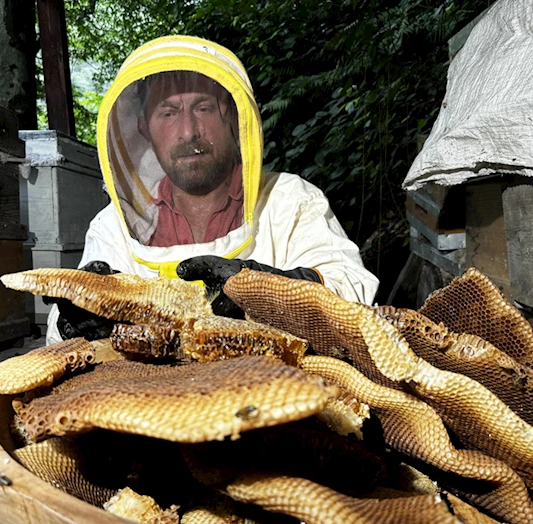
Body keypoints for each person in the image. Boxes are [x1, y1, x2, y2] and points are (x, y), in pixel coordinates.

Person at [46, 35, 379, 344]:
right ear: (144, 129)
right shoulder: (112, 228)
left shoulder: (291, 200)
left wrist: (271, 291)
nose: (189, 131)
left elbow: (354, 292)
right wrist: (87, 324)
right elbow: (59, 336)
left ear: (233, 117)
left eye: (203, 108)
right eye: (168, 112)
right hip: (152, 402)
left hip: (277, 398)